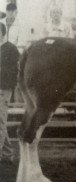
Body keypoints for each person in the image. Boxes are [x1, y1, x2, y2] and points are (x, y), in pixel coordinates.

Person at [0, 22, 19, 163]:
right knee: (0, 122)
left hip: (3, 89)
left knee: (0, 121)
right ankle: (7, 153)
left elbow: (13, 73)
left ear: (2, 33)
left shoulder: (11, 49)